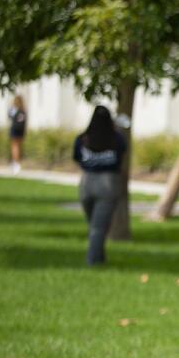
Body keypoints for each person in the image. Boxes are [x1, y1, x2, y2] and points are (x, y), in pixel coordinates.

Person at [72, 105, 127, 265]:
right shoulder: (117, 139)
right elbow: (121, 155)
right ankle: (94, 260)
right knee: (98, 227)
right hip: (109, 184)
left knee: (96, 226)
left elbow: (76, 157)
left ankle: (96, 260)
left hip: (87, 183)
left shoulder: (82, 139)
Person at [8, 95, 27, 173]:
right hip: (21, 131)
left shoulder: (14, 110)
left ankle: (16, 163)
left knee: (14, 147)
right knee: (19, 146)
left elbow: (9, 115)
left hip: (14, 130)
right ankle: (16, 162)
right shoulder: (23, 111)